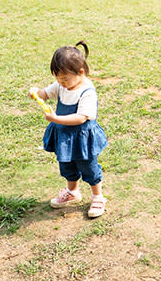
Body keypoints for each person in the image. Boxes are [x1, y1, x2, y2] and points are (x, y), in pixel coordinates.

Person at [29, 41, 108, 218]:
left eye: (64, 79)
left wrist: (56, 118)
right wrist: (37, 92)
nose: (61, 83)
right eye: (58, 78)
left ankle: (97, 196)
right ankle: (73, 192)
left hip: (82, 138)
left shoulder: (87, 91)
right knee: (67, 165)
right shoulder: (61, 85)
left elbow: (81, 118)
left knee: (88, 166)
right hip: (65, 136)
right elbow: (46, 93)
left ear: (80, 72)